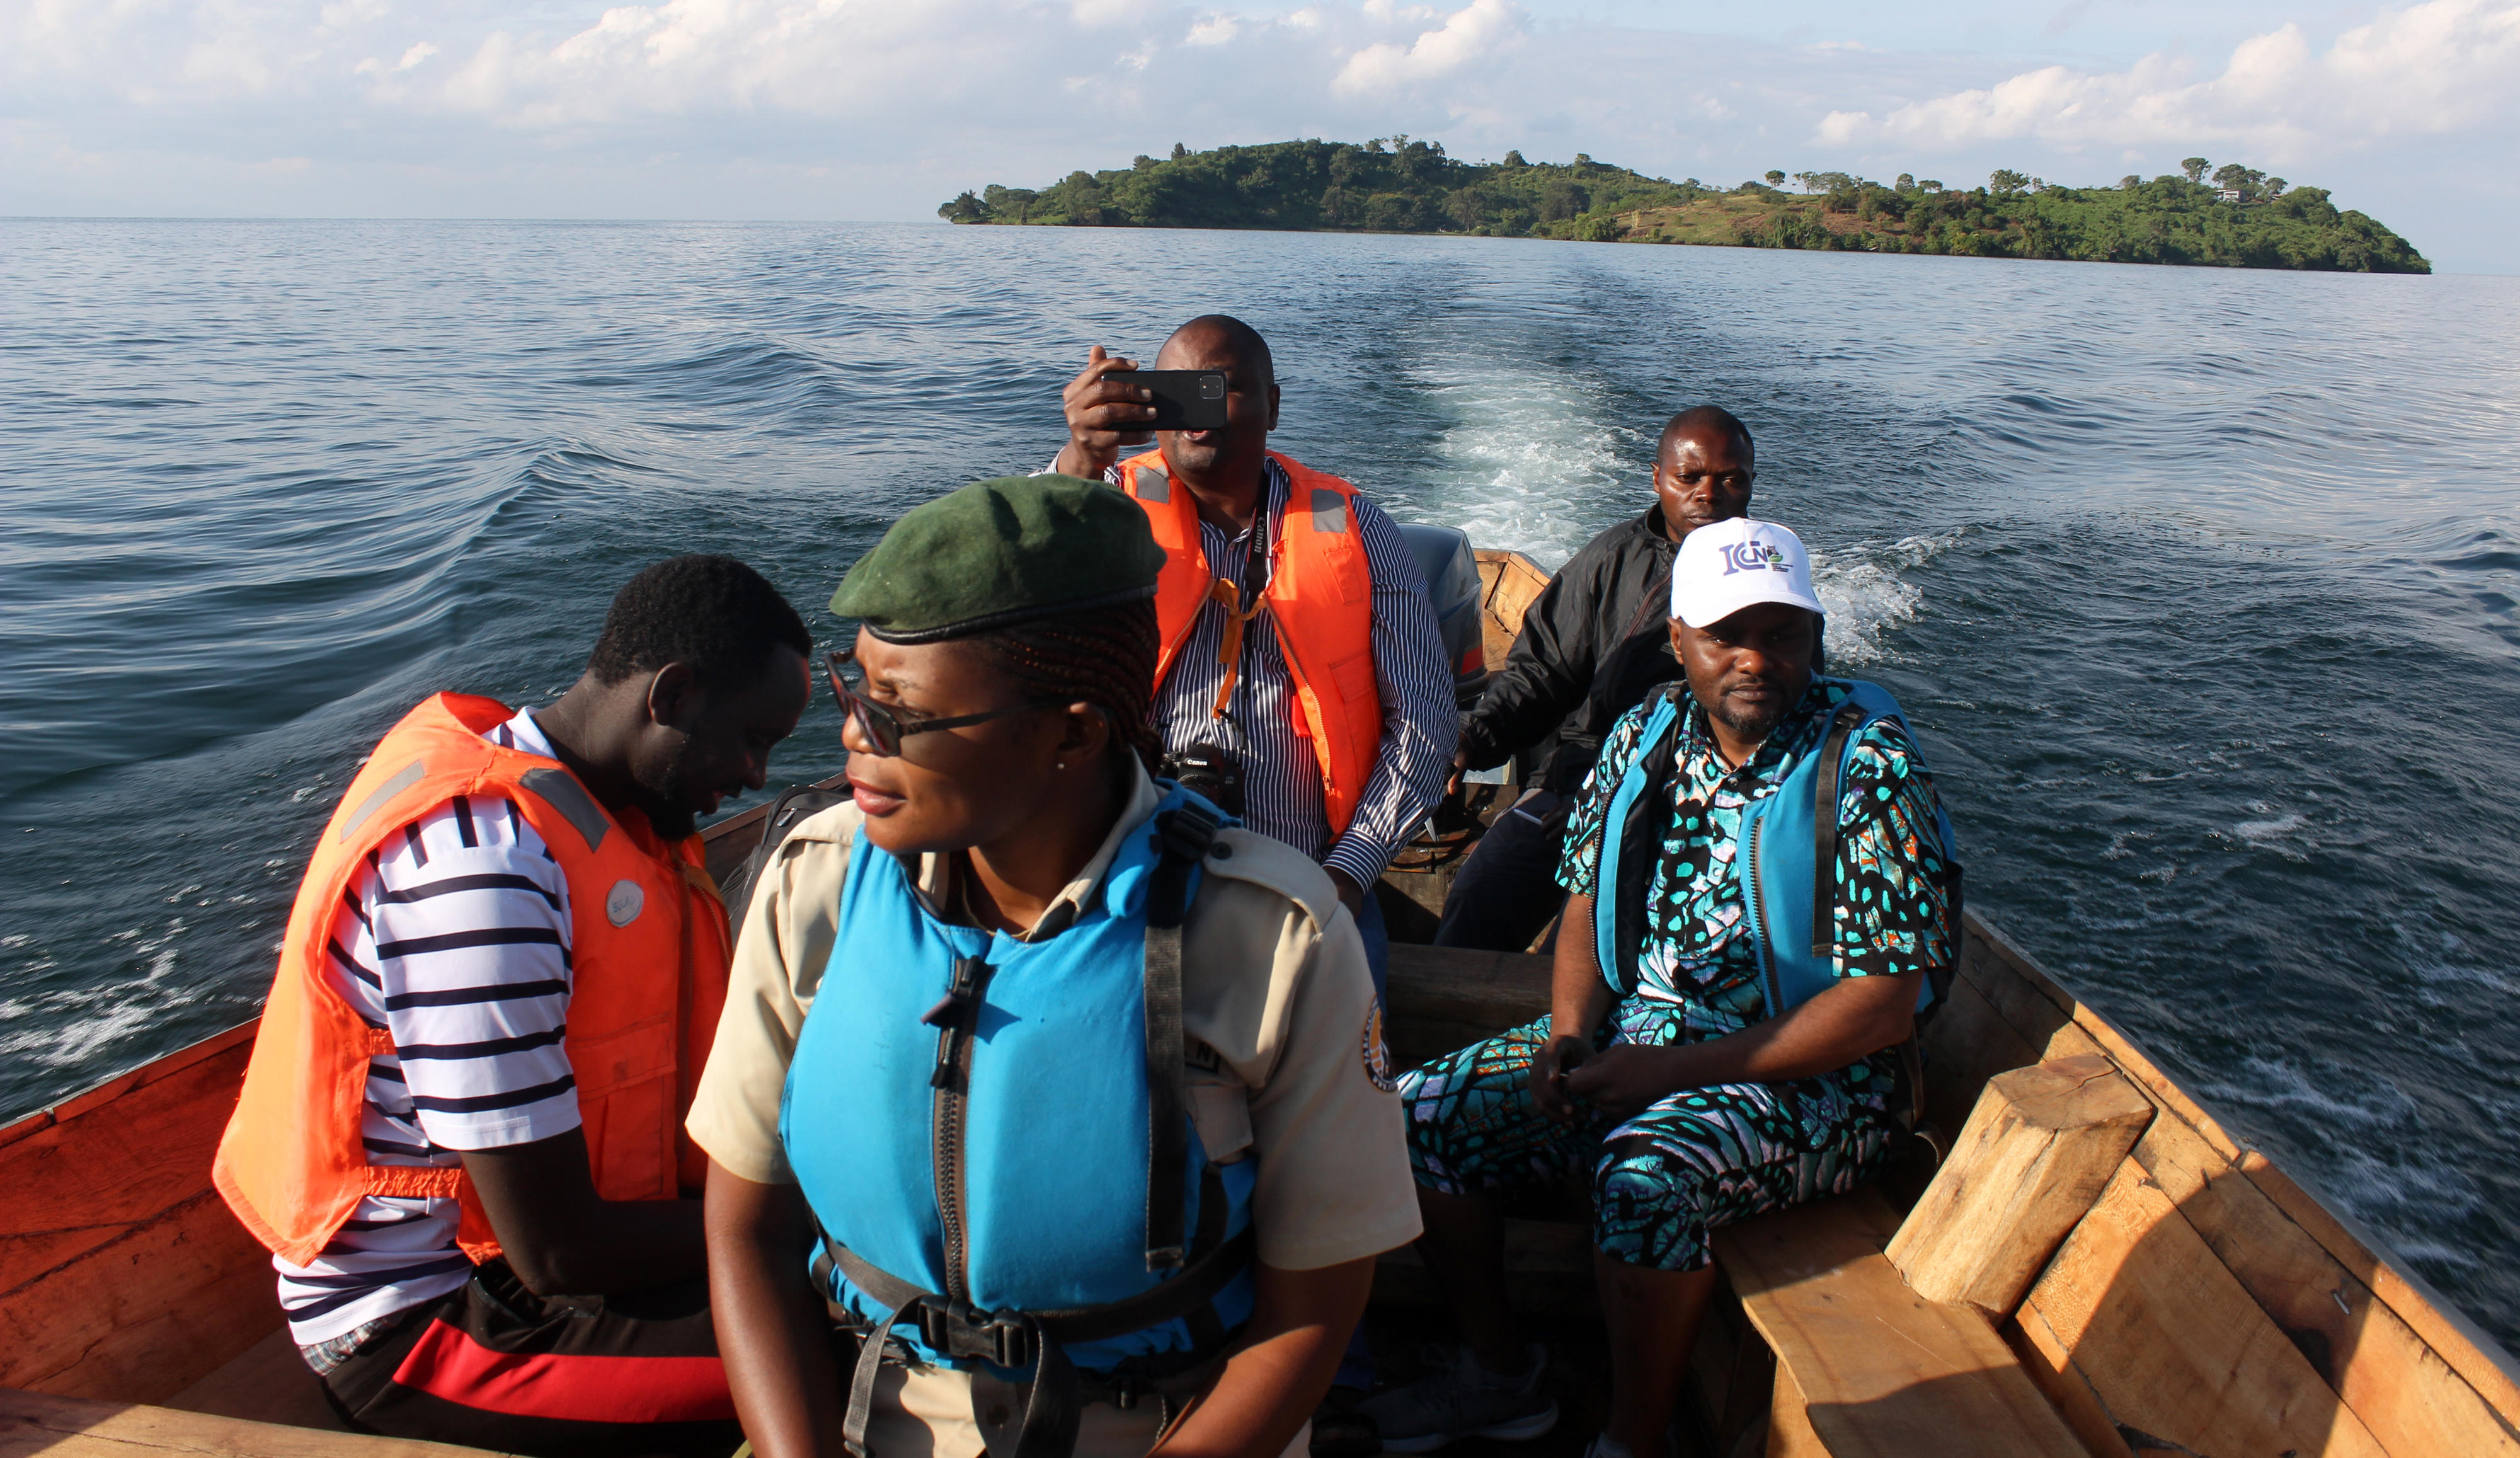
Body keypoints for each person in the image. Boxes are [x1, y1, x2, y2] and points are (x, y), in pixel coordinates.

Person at [692, 476, 1421, 1458]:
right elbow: (744, 1229)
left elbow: (1316, 1303)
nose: (855, 739)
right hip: (868, 1415)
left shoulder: (1275, 938)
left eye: (902, 715)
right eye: (854, 686)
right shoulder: (813, 888)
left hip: (1157, 1424)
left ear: (1072, 731)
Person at [1359, 519, 1958, 1458]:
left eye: (1783, 632)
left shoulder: (1869, 765)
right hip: (1641, 1045)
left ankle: (1631, 1441)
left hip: (1819, 1082)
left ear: (1817, 636)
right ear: (1679, 638)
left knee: (1643, 1178)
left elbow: (1882, 1004)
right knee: (1413, 1115)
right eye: (1728, 634)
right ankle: (1500, 1375)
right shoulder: (1647, 732)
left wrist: (1671, 1072)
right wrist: (1565, 1035)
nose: (1756, 658)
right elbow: (1587, 895)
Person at [212, 555, 813, 1456]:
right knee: (857, 1351)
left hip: (541, 1269)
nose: (758, 774)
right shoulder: (482, 870)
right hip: (425, 1325)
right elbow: (557, 1251)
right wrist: (823, 1221)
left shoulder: (578, 800)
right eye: (749, 739)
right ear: (672, 696)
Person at [1051, 315, 1457, 998]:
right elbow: (1019, 584)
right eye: (1175, 392)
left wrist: (1346, 877)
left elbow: (1424, 723)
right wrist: (1078, 460)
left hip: (1308, 874)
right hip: (1121, 864)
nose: (1196, 416)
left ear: (1273, 404)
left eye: (1221, 389)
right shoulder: (1104, 501)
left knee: (1332, 1088)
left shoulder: (1358, 527)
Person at [1435, 406, 1757, 954]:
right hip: (1580, 779)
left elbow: (1771, 723)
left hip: (1704, 807)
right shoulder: (1612, 561)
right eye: (1690, 477)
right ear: (1658, 479)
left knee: (1593, 941)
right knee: (1480, 895)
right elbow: (1543, 672)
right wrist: (1471, 740)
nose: (1710, 493)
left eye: (1730, 478)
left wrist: (1635, 802)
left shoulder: (1769, 586)